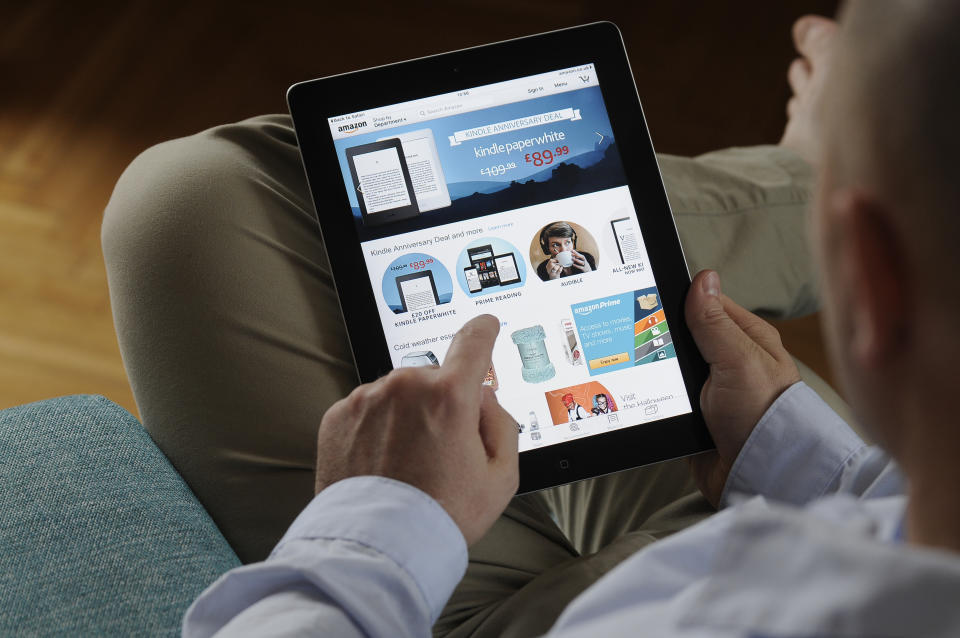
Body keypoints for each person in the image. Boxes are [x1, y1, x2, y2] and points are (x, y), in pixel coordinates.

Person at [98, 8, 919, 638]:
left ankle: (807, 188)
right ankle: (822, 187)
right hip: (828, 518)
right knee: (206, 189)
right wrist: (808, 456)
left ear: (871, 291)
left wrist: (384, 510)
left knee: (183, 202)